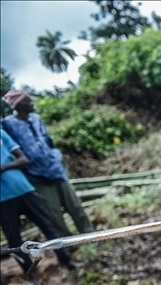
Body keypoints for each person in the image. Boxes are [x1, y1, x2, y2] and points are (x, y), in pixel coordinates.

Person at [2, 90, 94, 237]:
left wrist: (55, 155)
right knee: (53, 213)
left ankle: (89, 236)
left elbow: (47, 140)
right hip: (36, 176)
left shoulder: (36, 119)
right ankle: (69, 243)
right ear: (19, 105)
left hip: (55, 169)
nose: (32, 103)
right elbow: (10, 149)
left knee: (75, 206)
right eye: (28, 101)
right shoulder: (8, 124)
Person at [1, 128, 77, 285]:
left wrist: (2, 168)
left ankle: (66, 261)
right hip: (2, 200)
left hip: (23, 189)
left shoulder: (1, 133)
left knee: (48, 225)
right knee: (14, 241)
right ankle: (33, 276)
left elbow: (23, 160)